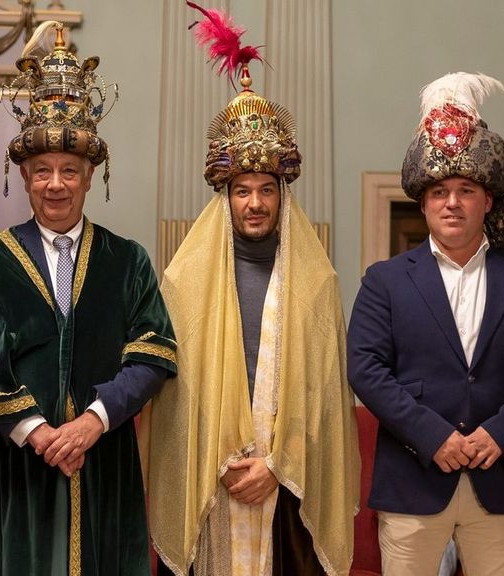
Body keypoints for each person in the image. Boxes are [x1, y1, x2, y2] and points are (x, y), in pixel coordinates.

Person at [0, 21, 177, 576]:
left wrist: (93, 422)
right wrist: (42, 435)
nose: (56, 183)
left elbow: (154, 352)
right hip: (15, 470)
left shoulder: (128, 260)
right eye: (43, 171)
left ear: (89, 176)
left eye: (70, 171)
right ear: (24, 177)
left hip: (103, 464)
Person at [142, 5, 358, 575]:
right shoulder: (182, 281)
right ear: (226, 195)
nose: (256, 202)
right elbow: (174, 403)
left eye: (267, 188)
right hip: (210, 485)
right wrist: (218, 460)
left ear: (283, 194)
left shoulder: (318, 285)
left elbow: (326, 402)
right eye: (243, 190)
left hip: (289, 492)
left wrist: (278, 465)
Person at [348, 72, 504, 575]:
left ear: (487, 201)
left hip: (501, 479)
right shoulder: (384, 280)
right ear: (423, 203)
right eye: (440, 191)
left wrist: (501, 432)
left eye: (466, 190)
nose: (452, 202)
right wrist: (433, 437)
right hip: (413, 481)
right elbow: (365, 369)